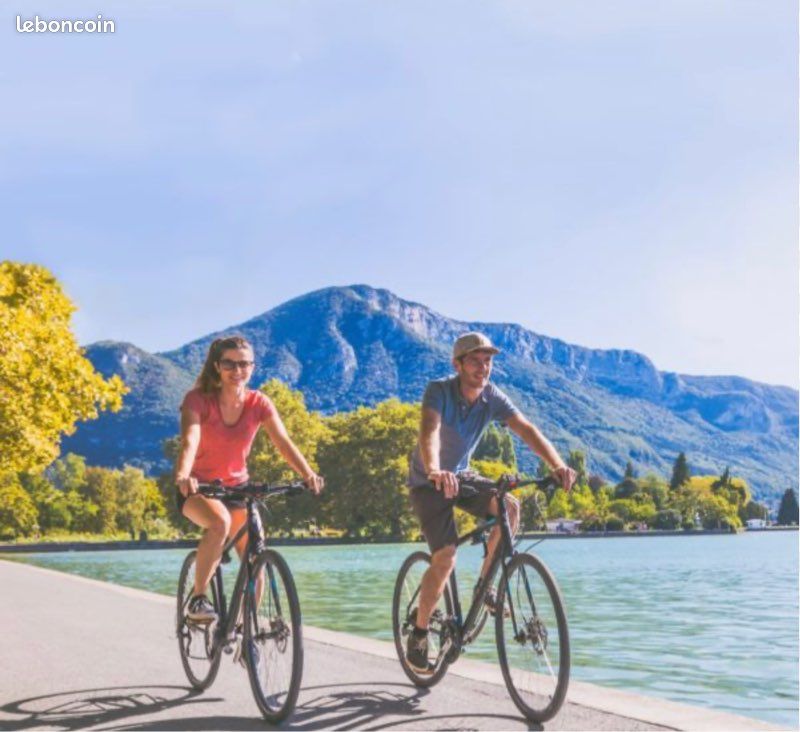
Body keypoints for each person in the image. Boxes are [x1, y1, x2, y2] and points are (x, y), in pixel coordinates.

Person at [406, 332, 576, 673]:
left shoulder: (492, 397)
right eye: (475, 361)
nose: (483, 367)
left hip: (462, 475)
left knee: (510, 506)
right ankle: (420, 633)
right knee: (445, 559)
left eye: (488, 361)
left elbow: (526, 429)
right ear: (458, 365)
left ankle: (486, 589)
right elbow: (430, 431)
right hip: (429, 480)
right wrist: (435, 469)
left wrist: (557, 465)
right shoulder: (439, 391)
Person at [175, 335, 324, 622]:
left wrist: (307, 474)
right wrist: (183, 475)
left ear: (253, 367)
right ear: (217, 366)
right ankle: (198, 599)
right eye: (229, 364)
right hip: (198, 487)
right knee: (220, 523)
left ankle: (247, 630)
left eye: (244, 364)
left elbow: (283, 442)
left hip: (238, 489)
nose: (237, 370)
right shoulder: (197, 400)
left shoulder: (259, 403)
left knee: (256, 555)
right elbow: (189, 441)